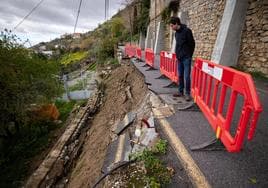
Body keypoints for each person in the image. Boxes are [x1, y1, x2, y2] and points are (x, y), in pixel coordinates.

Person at [170, 16, 195, 101]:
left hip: (186, 58)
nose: (171, 27)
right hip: (179, 58)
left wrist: (189, 55)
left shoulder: (187, 31)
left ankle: (187, 93)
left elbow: (192, 44)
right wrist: (177, 55)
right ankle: (181, 91)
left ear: (176, 24)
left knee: (187, 76)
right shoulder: (176, 33)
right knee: (180, 75)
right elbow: (178, 45)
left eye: (172, 25)